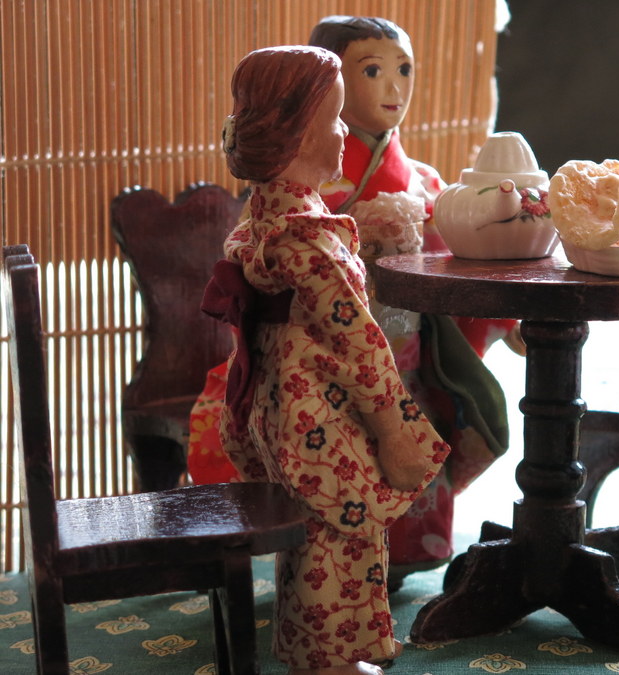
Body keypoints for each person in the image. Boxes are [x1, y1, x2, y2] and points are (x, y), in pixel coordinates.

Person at [206, 45, 449, 675]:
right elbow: (359, 342)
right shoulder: (309, 242)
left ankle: (317, 649)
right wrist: (394, 428)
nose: (345, 132)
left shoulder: (263, 220)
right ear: (296, 132)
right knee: (341, 531)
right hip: (321, 410)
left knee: (315, 530)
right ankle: (331, 660)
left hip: (279, 402)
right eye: (336, 118)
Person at [308, 15, 518, 582]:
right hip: (329, 355)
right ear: (327, 82)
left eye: (404, 69)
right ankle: (340, 569)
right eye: (371, 70)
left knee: (417, 439)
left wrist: (504, 315)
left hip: (410, 354)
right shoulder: (308, 183)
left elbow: (458, 264)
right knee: (345, 455)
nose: (394, 87)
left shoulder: (423, 181)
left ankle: (402, 558)